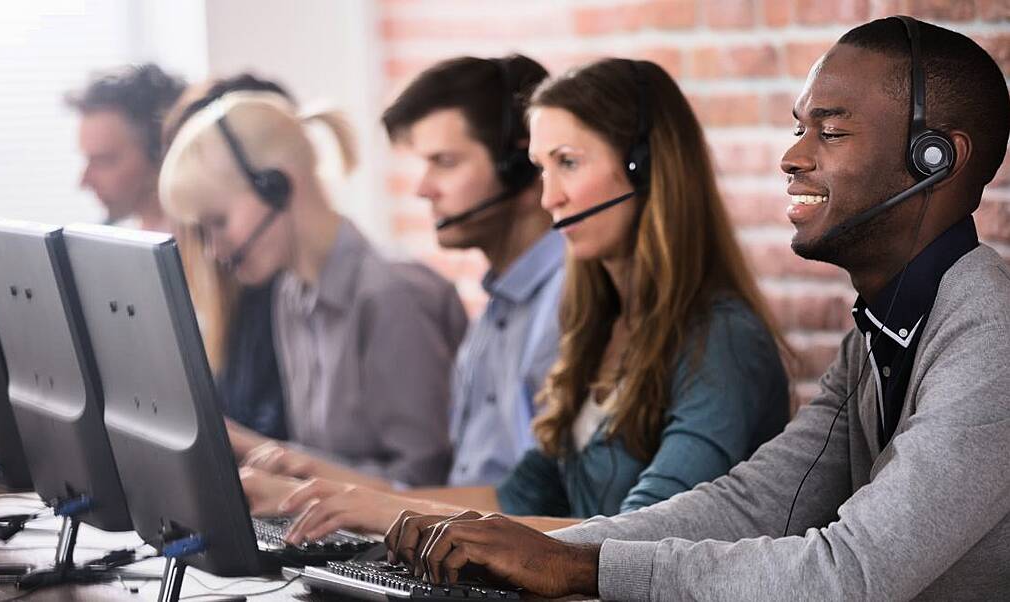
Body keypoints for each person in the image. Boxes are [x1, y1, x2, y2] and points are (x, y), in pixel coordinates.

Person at [388, 17, 1010, 601]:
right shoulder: (879, 330)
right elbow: (755, 503)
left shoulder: (989, 337)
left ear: (937, 158)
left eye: (832, 131)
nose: (793, 157)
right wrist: (538, 551)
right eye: (800, 128)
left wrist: (578, 566)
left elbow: (850, 573)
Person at [241, 58, 791, 544]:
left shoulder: (721, 340)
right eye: (542, 168)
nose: (549, 196)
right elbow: (514, 500)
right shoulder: (597, 327)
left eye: (568, 163)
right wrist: (344, 501)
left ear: (644, 168)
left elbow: (640, 536)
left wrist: (393, 513)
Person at [238, 54, 564, 488]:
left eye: (445, 162)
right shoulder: (495, 313)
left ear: (524, 170)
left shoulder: (568, 303)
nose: (422, 188)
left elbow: (541, 509)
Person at [160, 91, 467, 486]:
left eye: (218, 222)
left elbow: (425, 486)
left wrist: (253, 450)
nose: (214, 250)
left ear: (279, 187)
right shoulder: (290, 292)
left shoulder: (392, 296)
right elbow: (319, 456)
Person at [162, 74, 300, 440]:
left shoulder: (287, 296)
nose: (209, 243)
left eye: (215, 216)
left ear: (273, 186)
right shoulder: (233, 297)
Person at [66, 63, 185, 231]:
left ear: (160, 153)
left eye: (103, 161)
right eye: (88, 159)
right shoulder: (117, 239)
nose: (85, 181)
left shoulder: (207, 251)